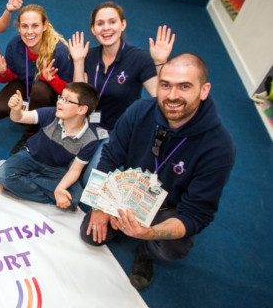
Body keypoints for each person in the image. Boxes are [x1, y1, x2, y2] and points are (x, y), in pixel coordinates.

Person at [80, 53, 236, 290]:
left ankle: (145, 252)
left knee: (173, 247)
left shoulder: (220, 147)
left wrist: (149, 233)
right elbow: (110, 157)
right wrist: (100, 205)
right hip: (128, 191)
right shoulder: (139, 110)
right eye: (166, 85)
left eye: (184, 86)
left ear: (204, 90)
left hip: (166, 207)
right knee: (90, 235)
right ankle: (120, 222)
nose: (172, 96)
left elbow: (197, 214)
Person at [68, 1, 175, 184]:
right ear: (93, 29)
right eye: (100, 24)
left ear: (123, 25)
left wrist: (160, 62)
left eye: (112, 22)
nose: (106, 28)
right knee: (59, 164)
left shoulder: (139, 58)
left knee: (90, 180)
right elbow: (79, 98)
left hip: (117, 132)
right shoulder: (90, 55)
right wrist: (78, 61)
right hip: (88, 125)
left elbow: (161, 98)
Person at [0, 4, 74, 155]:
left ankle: (30, 134)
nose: (29, 32)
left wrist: (51, 80)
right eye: (24, 26)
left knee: (40, 89)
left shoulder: (59, 51)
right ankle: (34, 115)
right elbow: (12, 77)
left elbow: (70, 92)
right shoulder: (15, 45)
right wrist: (2, 72)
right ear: (19, 28)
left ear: (45, 25)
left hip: (50, 93)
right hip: (25, 87)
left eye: (35, 26)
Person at [0, 82, 99, 209]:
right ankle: (51, 197)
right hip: (31, 156)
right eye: (60, 97)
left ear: (82, 109)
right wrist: (16, 110)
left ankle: (23, 182)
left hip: (57, 168)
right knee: (2, 174)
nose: (60, 102)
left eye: (67, 100)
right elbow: (20, 118)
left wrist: (60, 188)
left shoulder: (91, 138)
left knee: (76, 195)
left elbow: (75, 169)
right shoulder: (51, 114)